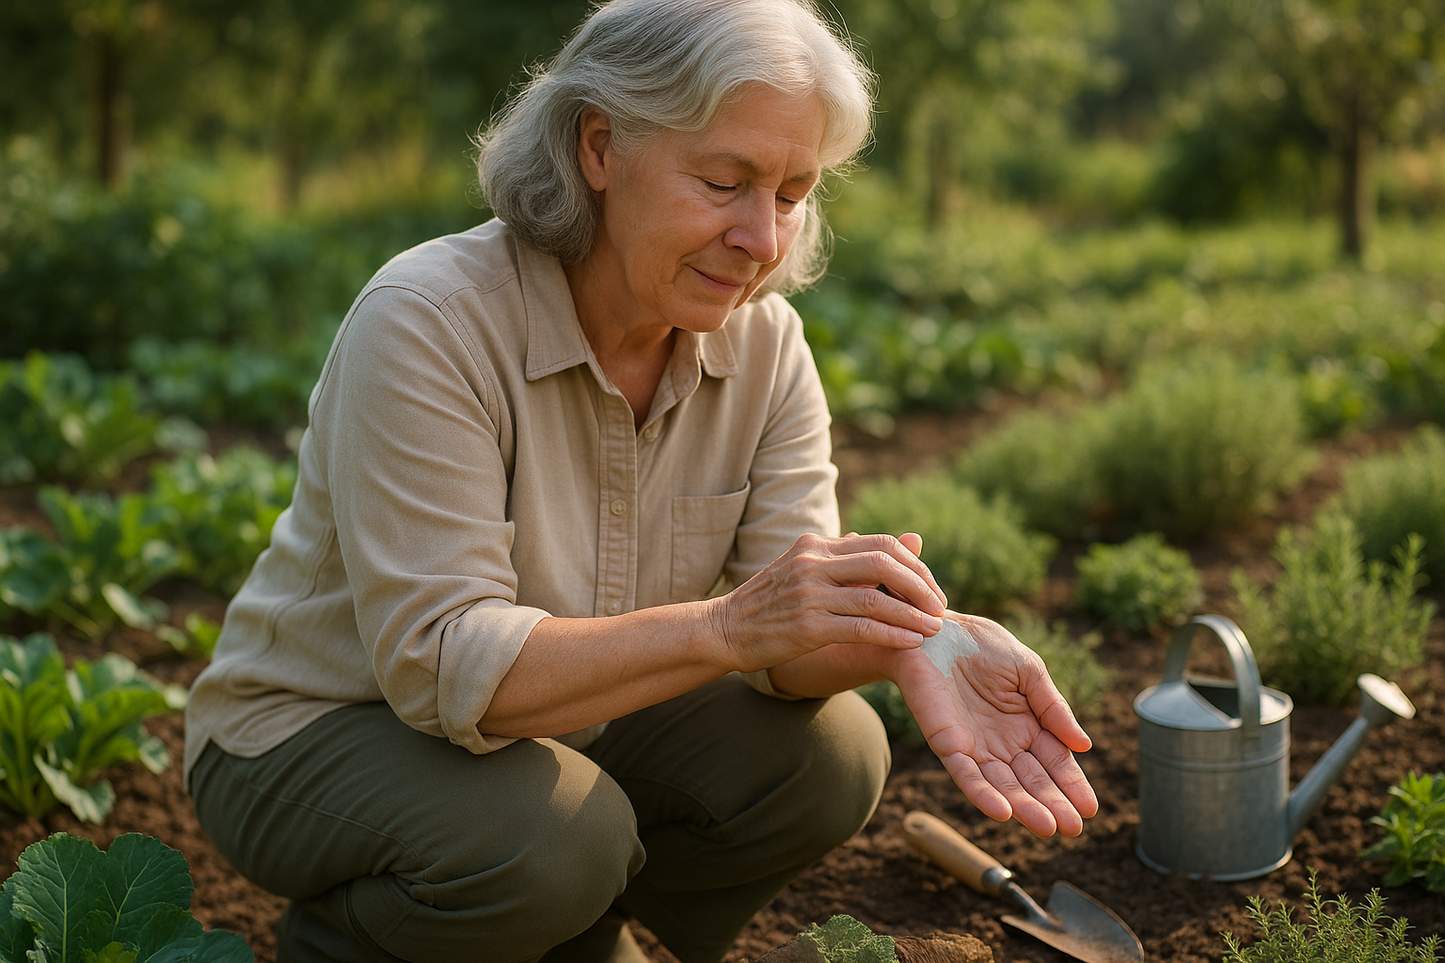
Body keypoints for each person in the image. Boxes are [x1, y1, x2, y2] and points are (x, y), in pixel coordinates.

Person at [184, 1, 1098, 961]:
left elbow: (785, 652)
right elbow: (442, 662)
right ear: (597, 148)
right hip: (316, 732)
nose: (762, 238)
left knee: (831, 756)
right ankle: (352, 939)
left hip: (563, 724)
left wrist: (918, 637)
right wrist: (727, 625)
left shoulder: (767, 348)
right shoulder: (429, 320)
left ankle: (568, 929)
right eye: (723, 180)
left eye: (791, 192)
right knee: (552, 841)